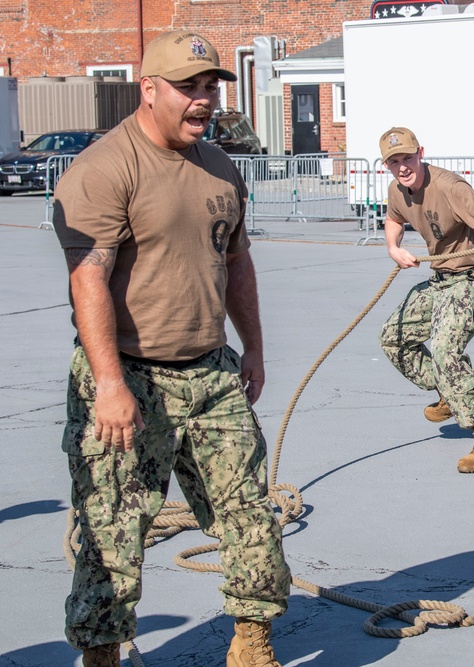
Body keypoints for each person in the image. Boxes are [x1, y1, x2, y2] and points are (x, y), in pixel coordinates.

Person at [52, 30, 290, 667]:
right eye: (189, 86)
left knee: (249, 513)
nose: (204, 100)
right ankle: (102, 655)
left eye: (211, 86)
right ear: (148, 88)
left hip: (211, 372)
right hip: (130, 377)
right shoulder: (104, 169)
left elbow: (236, 262)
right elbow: (89, 278)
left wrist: (253, 350)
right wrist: (108, 383)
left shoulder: (219, 167)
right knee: (112, 530)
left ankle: (252, 641)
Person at [376, 127, 474, 473]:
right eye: (393, 161)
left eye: (406, 158)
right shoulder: (397, 190)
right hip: (440, 279)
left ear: (420, 152)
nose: (402, 167)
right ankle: (449, 390)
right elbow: (393, 218)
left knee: (446, 350)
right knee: (393, 338)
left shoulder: (448, 186)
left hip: (473, 278)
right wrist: (393, 248)